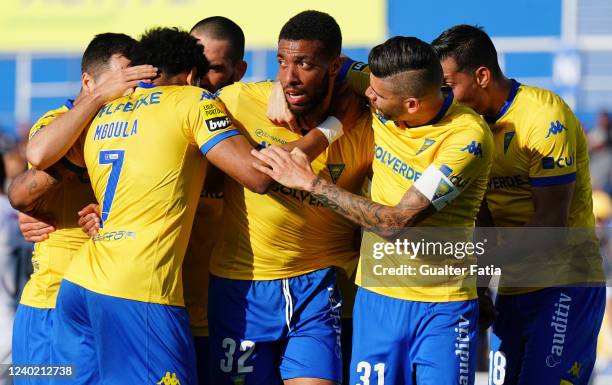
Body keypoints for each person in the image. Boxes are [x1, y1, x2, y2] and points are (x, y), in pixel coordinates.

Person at [32, 27, 334, 385]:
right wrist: (332, 127)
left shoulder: (104, 110)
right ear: (192, 75)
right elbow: (258, 177)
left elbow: (34, 162)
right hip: (141, 288)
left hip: (79, 286)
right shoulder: (192, 101)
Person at [253, 36, 493, 385]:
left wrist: (310, 183)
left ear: (411, 104)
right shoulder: (380, 82)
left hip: (445, 305)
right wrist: (279, 86)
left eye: (377, 97)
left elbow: (397, 222)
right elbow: (317, 61)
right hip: (378, 300)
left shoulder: (466, 139)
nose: (367, 95)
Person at [204, 10, 373, 385]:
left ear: (334, 68)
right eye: (282, 62)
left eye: (305, 65)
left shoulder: (366, 124)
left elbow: (400, 83)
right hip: (241, 288)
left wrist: (347, 82)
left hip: (318, 285)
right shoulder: (238, 102)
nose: (289, 77)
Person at [431, 24, 605, 384]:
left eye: (448, 86)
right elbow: (481, 215)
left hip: (566, 285)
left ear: (481, 75)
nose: (442, 96)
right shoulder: (466, 127)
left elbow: (551, 226)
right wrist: (478, 288)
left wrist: (467, 265)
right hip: (513, 285)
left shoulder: (543, 117)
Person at [7, 33, 156, 384]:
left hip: (116, 302)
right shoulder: (57, 119)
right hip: (50, 305)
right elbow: (39, 155)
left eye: (134, 81)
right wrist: (98, 100)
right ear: (88, 81)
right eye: (121, 79)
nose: (129, 90)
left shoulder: (140, 127)